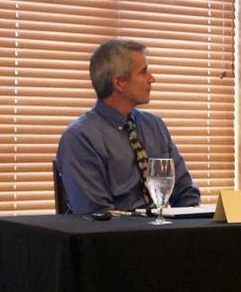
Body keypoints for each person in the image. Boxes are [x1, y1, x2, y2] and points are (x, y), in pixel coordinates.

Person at [55, 39, 200, 214]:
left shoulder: (155, 126)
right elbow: (96, 214)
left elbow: (185, 192)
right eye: (143, 72)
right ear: (119, 83)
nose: (152, 79)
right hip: (116, 230)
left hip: (163, 228)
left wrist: (190, 223)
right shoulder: (80, 138)